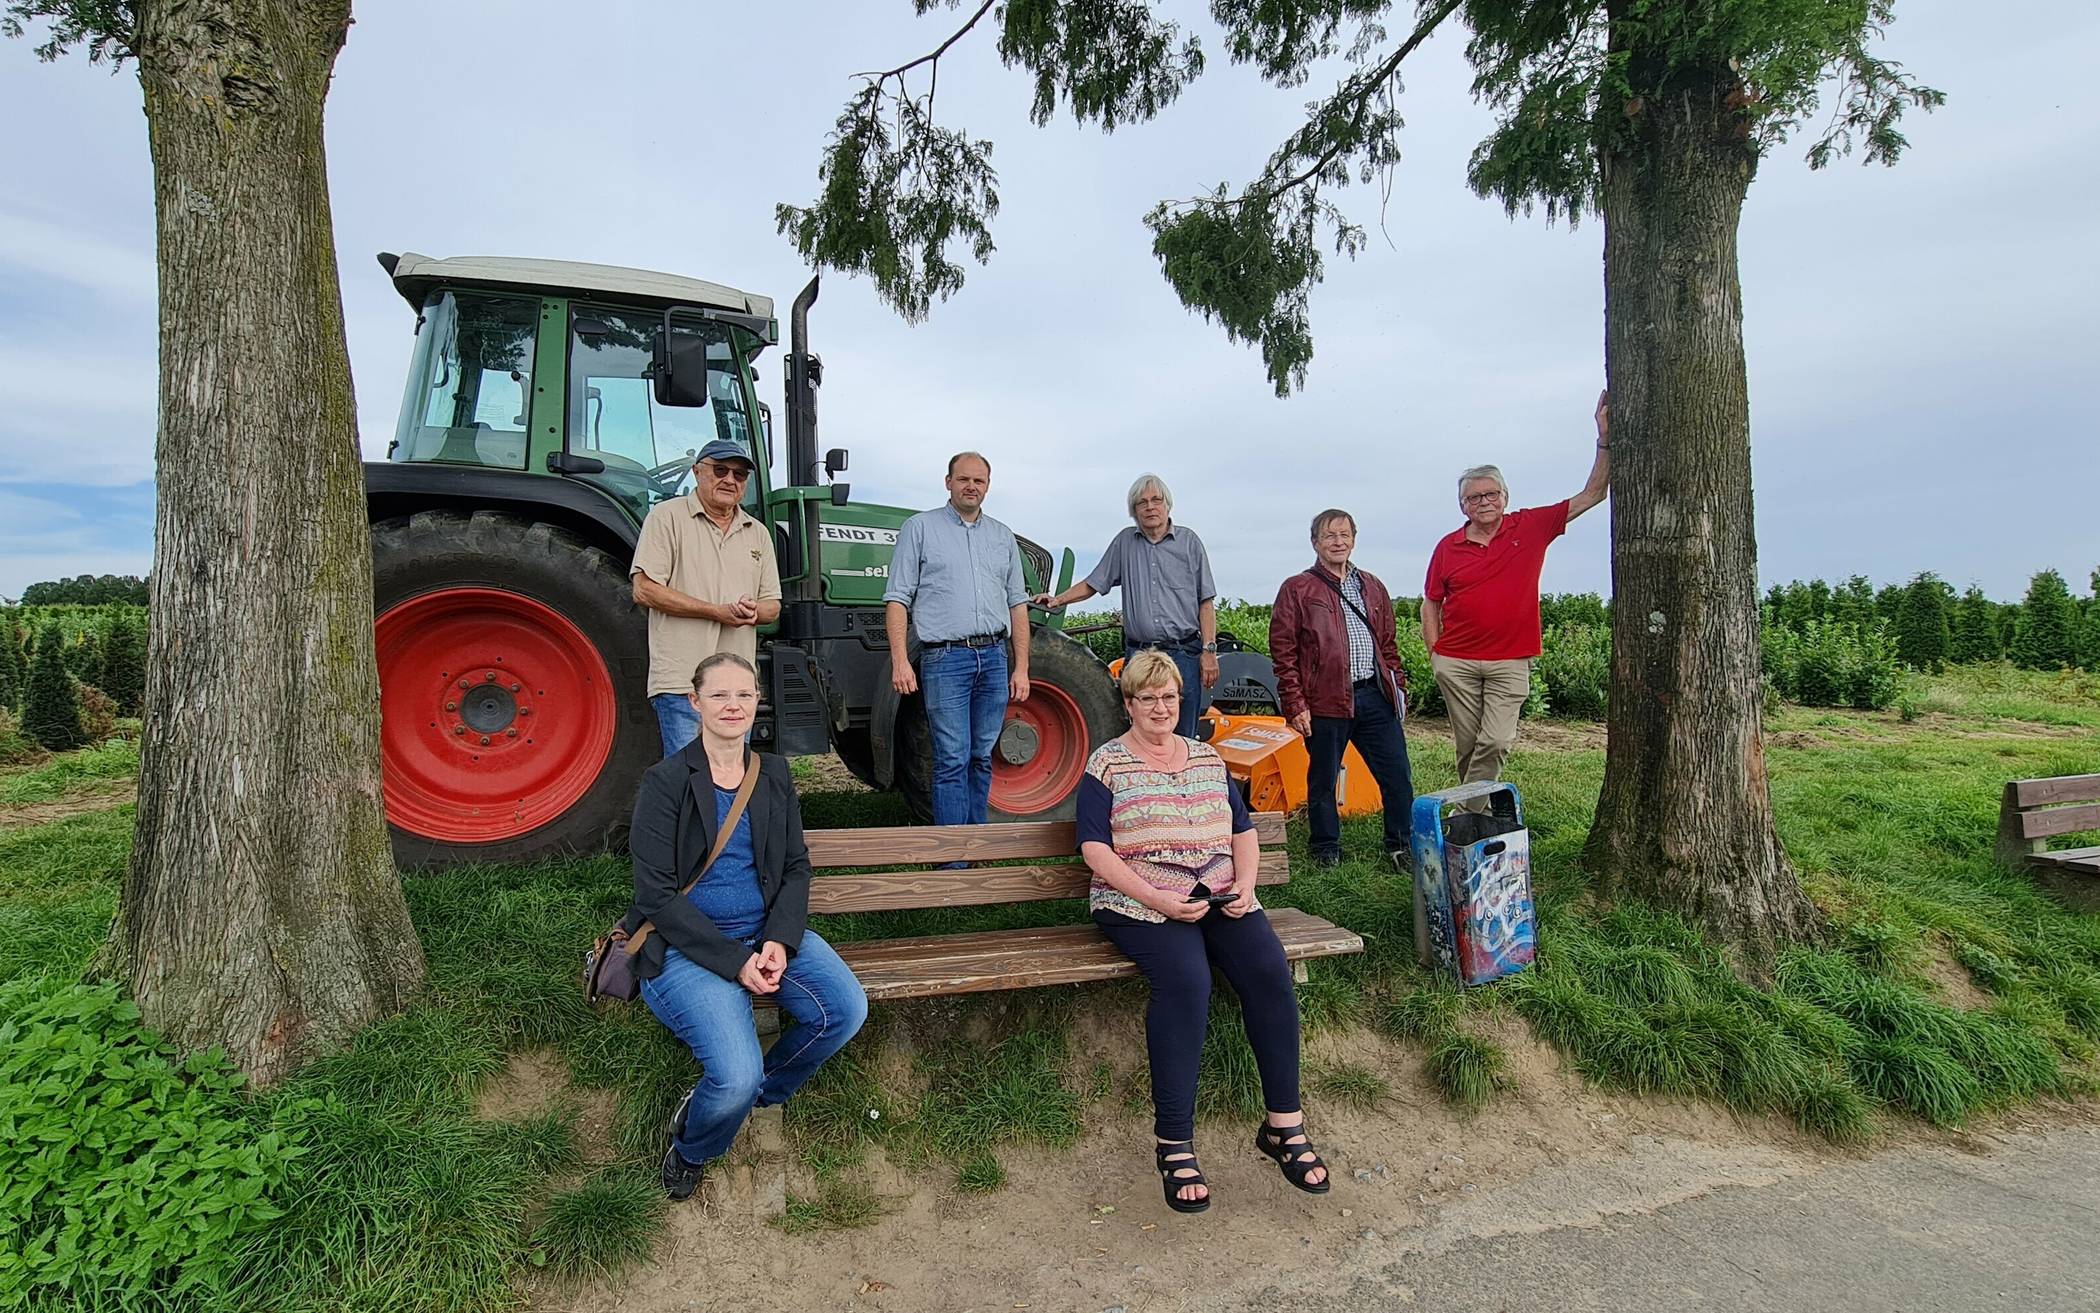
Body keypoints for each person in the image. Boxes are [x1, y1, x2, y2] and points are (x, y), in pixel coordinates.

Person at [1079, 651, 1329, 1213]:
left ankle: (1283, 1128)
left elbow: (1242, 830)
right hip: (1137, 899)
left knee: (1268, 972)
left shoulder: (1207, 758)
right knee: (1187, 982)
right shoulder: (1107, 765)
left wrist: (1245, 883)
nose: (1160, 707)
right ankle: (1174, 1144)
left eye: (1169, 697)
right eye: (1148, 698)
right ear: (1129, 705)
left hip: (1219, 892)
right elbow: (1094, 847)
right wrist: (1157, 898)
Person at [622, 652, 868, 1201]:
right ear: (695, 703)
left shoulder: (774, 773)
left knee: (845, 1011)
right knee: (732, 1074)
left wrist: (779, 940)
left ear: (757, 702)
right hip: (685, 946)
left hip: (764, 932)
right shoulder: (664, 782)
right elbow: (655, 895)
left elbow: (795, 866)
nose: (732, 705)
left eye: (743, 694)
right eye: (718, 695)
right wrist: (736, 963)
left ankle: (760, 1093)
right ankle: (694, 1146)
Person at [1422, 392, 1611, 794]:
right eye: (1474, 497)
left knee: (1495, 741)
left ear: (1505, 498)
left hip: (1510, 660)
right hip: (1456, 661)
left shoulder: (1531, 527)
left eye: (1491, 494)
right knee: (1469, 745)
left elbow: (1593, 493)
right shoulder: (1447, 546)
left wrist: (1604, 439)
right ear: (1463, 506)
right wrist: (1435, 653)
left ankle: (1462, 815)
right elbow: (1431, 602)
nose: (1484, 502)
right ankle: (1480, 822)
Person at [883, 451, 1031, 835]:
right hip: (946, 658)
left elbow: (1017, 604)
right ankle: (952, 856)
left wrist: (1022, 667)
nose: (971, 487)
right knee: (951, 758)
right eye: (963, 479)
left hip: (994, 658)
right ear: (948, 482)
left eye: (979, 481)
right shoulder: (920, 528)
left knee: (981, 756)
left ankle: (976, 844)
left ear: (988, 486)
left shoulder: (1002, 536)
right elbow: (898, 597)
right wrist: (900, 660)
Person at [1269, 509, 1416, 871]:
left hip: (1372, 695)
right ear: (1315, 542)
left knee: (1397, 775)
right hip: (1324, 699)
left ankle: (1400, 845)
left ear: (1354, 539)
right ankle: (1325, 848)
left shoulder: (1372, 585)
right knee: (1323, 779)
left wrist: (1397, 686)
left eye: (1344, 534)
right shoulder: (1297, 588)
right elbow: (1283, 651)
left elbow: (1388, 644)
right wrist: (1295, 702)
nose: (1338, 541)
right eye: (1329, 535)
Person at [1034, 473, 1219, 738]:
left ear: (1167, 505)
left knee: (1181, 735)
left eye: (1156, 500)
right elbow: (1094, 583)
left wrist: (1209, 651)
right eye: (1142, 503)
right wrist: (1058, 599)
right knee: (1139, 732)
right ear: (1134, 511)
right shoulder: (1124, 543)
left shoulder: (1190, 543)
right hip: (1140, 656)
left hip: (1183, 655)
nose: (1150, 507)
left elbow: (1206, 602)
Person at [631, 438, 782, 756]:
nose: (730, 479)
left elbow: (772, 605)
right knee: (691, 780)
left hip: (736, 687)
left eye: (739, 474)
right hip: (682, 681)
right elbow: (644, 589)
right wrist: (716, 611)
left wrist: (754, 611)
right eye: (720, 470)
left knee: (733, 781)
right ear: (697, 472)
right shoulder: (666, 517)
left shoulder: (757, 532)